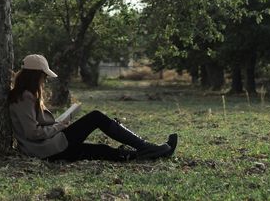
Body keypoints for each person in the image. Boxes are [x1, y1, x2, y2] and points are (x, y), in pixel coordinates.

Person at [9, 54, 178, 162]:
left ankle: (153, 153)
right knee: (95, 117)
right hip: (46, 149)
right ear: (35, 76)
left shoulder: (26, 94)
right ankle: (145, 146)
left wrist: (59, 123)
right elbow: (33, 133)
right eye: (43, 76)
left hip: (51, 148)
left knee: (101, 150)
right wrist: (60, 126)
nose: (44, 80)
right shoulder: (24, 97)